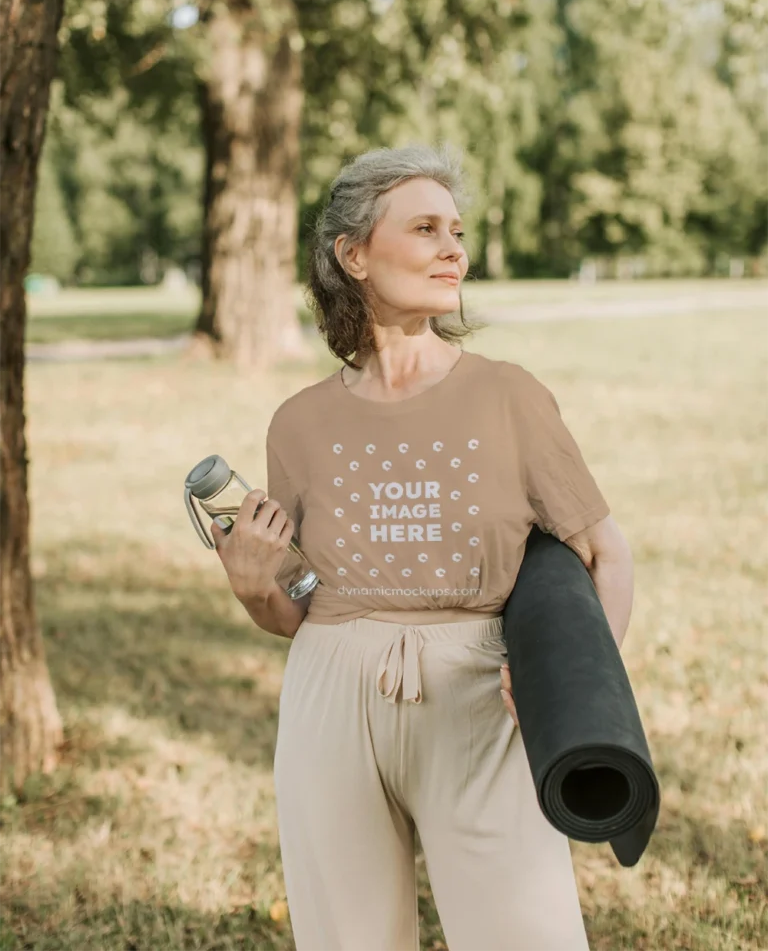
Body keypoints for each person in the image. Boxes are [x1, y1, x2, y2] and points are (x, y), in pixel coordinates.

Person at [211, 144, 634, 951]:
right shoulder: (298, 423)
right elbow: (294, 610)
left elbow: (605, 552)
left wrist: (577, 696)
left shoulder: (508, 395)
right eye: (426, 228)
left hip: (480, 691)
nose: (454, 250)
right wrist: (253, 584)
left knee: (526, 934)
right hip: (329, 693)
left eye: (458, 231)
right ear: (354, 254)